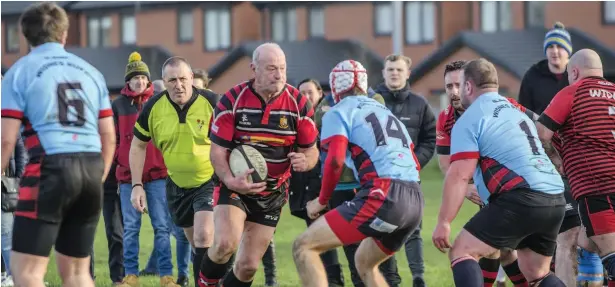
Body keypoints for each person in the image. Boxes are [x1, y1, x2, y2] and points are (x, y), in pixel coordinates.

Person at [0, 2, 116, 287]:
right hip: (91, 167)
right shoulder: (92, 72)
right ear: (64, 35)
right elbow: (109, 137)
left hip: (48, 167)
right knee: (77, 272)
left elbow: (6, 139)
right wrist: (97, 177)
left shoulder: (19, 72)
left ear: (25, 36)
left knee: (26, 271)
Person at [432, 58, 567, 286]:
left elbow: (459, 175)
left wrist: (444, 221)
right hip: (554, 197)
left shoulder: (471, 117)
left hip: (520, 197)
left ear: (468, 86)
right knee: (537, 273)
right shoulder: (516, 110)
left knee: (462, 252)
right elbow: (550, 134)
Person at [293, 59, 424, 286]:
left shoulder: (338, 111)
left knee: (304, 246)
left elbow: (334, 161)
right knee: (364, 262)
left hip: (383, 193)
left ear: (335, 88)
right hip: (415, 199)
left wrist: (321, 201)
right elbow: (412, 160)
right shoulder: (385, 112)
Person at [201, 43, 319, 287]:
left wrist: (305, 161)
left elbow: (311, 150)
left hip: (272, 192)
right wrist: (230, 179)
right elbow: (217, 151)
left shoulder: (299, 104)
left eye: (283, 69)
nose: (279, 75)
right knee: (225, 244)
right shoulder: (232, 100)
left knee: (248, 267)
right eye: (272, 69)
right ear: (254, 69)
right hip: (233, 184)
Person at [131, 56, 219, 287]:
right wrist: (136, 185)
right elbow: (138, 145)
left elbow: (234, 137)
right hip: (176, 184)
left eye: (183, 79)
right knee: (197, 244)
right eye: (172, 80)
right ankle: (214, 277)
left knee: (203, 237)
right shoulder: (153, 107)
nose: (178, 85)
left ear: (192, 78)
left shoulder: (213, 102)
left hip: (209, 179)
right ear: (163, 82)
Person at [536, 49, 615, 287]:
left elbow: (540, 133)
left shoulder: (573, 92)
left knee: (611, 259)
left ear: (574, 72)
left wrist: (556, 160)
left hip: (597, 188)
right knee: (590, 242)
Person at [313, 81, 403, 287]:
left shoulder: (375, 99)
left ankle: (391, 282)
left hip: (370, 186)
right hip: (341, 187)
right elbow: (321, 117)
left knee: (380, 246)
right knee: (352, 247)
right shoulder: (327, 103)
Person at [518, 22, 587, 286]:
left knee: (575, 228)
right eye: (551, 47)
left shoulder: (577, 77)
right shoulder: (533, 76)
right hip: (542, 157)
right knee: (549, 226)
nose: (555, 52)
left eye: (560, 47)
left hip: (574, 157)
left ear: (569, 53)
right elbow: (523, 118)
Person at [112, 52, 177, 287]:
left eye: (143, 77)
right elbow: (115, 140)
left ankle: (166, 275)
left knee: (161, 226)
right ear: (128, 81)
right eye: (135, 78)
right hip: (128, 177)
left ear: (149, 80)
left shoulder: (160, 100)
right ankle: (131, 275)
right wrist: (120, 162)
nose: (140, 81)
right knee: (130, 228)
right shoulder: (118, 105)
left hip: (158, 175)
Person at [375, 54, 436, 287]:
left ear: (408, 73)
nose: (394, 73)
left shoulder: (420, 104)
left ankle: (418, 277)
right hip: (379, 179)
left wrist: (415, 162)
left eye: (399, 70)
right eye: (390, 69)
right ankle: (390, 279)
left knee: (413, 229)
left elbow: (430, 139)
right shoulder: (373, 101)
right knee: (381, 230)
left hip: (410, 178)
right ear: (383, 72)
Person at [288, 78, 345, 287]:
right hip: (306, 188)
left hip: (329, 187)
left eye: (310, 92)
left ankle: (336, 281)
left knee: (328, 239)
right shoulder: (297, 119)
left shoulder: (329, 117)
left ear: (320, 93)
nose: (306, 97)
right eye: (302, 93)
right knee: (319, 240)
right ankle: (332, 281)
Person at [138, 78, 192, 287]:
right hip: (161, 178)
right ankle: (161, 268)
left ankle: (185, 271)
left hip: (176, 176)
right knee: (166, 227)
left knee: (178, 228)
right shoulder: (153, 115)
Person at [1, 136, 27, 287]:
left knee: (6, 234)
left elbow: (20, 154)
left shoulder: (8, 126)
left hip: (7, 187)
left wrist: (18, 182)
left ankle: (17, 277)